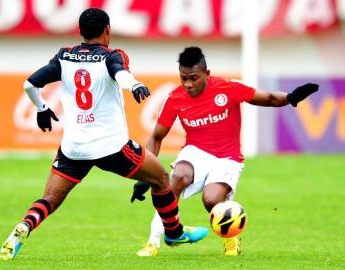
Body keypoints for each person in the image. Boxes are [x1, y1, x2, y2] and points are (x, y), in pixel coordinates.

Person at [0, 9, 210, 261]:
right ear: (107, 30)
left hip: (73, 148)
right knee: (162, 178)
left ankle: (22, 229)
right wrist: (135, 85)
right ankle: (174, 233)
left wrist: (42, 108)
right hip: (112, 148)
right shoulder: (112, 55)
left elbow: (29, 84)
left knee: (49, 199)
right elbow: (119, 72)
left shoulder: (64, 56)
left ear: (80, 31)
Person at [131, 47, 319, 257]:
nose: (188, 84)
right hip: (195, 152)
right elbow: (157, 137)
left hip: (227, 158)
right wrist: (144, 174)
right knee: (176, 179)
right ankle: (153, 243)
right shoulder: (175, 98)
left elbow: (268, 98)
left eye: (193, 78)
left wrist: (292, 97)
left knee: (211, 200)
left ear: (207, 73)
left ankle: (231, 240)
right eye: (183, 78)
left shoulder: (228, 88)